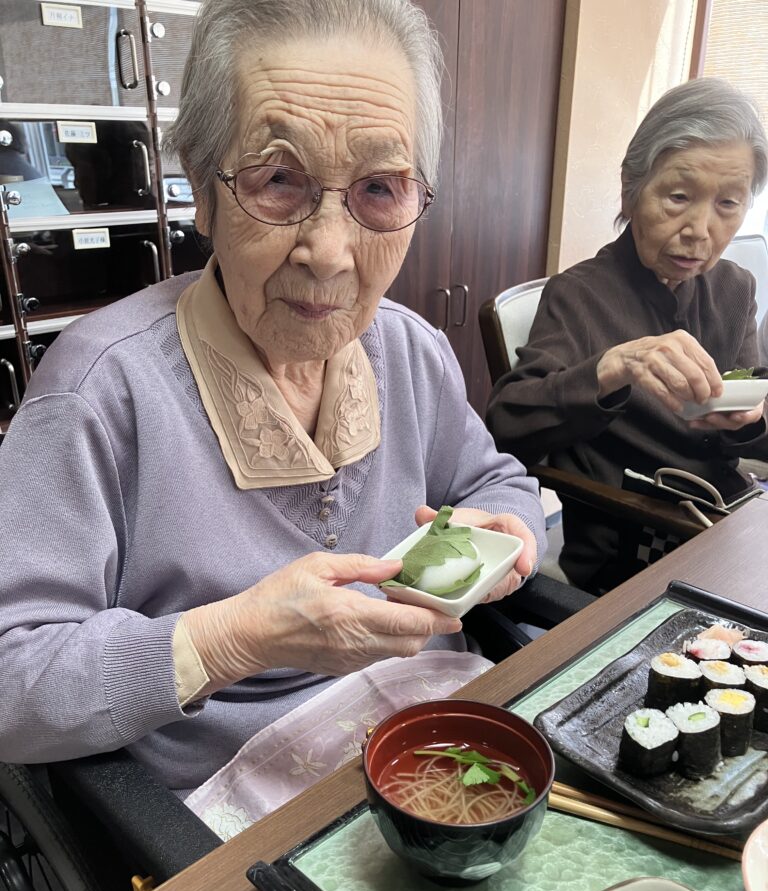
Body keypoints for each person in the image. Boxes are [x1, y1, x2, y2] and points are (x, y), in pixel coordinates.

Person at [0, 0, 544, 800]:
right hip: (235, 803)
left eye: (380, 188)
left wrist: (510, 537)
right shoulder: (98, 393)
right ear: (203, 190)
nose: (329, 253)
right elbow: (12, 679)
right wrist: (233, 639)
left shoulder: (411, 350)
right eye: (279, 180)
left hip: (433, 743)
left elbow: (498, 484)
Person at [487, 78, 768, 594]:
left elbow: (758, 426)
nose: (699, 230)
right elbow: (506, 425)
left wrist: (751, 419)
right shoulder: (579, 295)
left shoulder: (735, 288)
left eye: (728, 204)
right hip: (633, 546)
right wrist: (611, 368)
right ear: (631, 189)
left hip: (722, 524)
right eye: (678, 197)